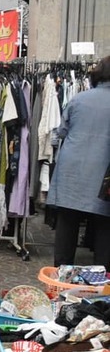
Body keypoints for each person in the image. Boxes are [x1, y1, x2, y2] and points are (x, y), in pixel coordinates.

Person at [46, 55, 110, 267]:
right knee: (104, 228)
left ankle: (61, 277)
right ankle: (103, 285)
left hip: (72, 169)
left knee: (67, 223)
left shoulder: (78, 99)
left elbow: (62, 131)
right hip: (104, 173)